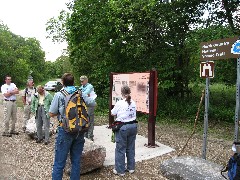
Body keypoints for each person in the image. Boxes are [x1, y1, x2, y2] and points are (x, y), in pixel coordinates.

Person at [50, 73, 92, 180]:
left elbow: (51, 113)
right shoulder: (80, 93)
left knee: (59, 162)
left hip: (65, 130)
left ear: (63, 82)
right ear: (73, 82)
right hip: (80, 129)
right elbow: (92, 103)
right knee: (76, 161)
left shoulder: (59, 95)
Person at [111, 85, 138, 177]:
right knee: (130, 147)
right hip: (133, 126)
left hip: (123, 127)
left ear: (121, 93)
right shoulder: (133, 102)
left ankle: (120, 170)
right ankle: (131, 168)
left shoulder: (119, 103)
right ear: (129, 92)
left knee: (120, 149)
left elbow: (112, 112)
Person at [79, 75, 97, 141]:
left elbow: (84, 94)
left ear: (86, 80)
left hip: (90, 105)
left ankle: (90, 136)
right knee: (85, 120)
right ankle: (85, 136)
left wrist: (81, 93)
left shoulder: (89, 86)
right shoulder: (82, 87)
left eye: (82, 81)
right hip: (84, 105)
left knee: (90, 121)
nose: (81, 83)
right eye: (80, 81)